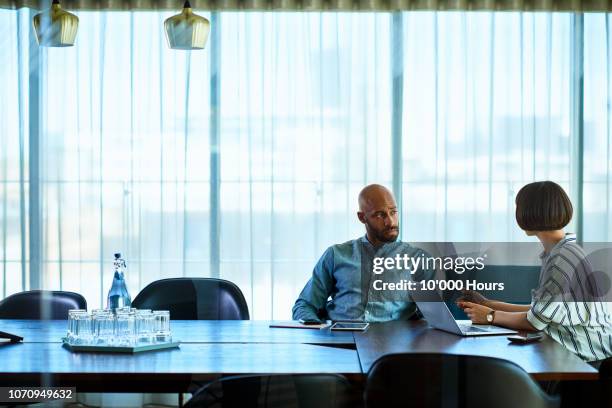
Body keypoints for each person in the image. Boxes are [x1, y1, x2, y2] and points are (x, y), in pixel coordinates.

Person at [458, 181, 612, 364]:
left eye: (519, 207)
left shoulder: (562, 258)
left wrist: (490, 316)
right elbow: (540, 312)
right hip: (580, 351)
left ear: (533, 212)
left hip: (585, 359)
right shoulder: (561, 252)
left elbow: (534, 322)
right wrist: (488, 303)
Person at [292, 184, 434, 323]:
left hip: (391, 343)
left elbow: (434, 315)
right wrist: (315, 328)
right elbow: (305, 305)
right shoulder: (336, 255)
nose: (390, 221)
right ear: (362, 217)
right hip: (338, 341)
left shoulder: (418, 260)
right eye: (380, 215)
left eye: (393, 212)